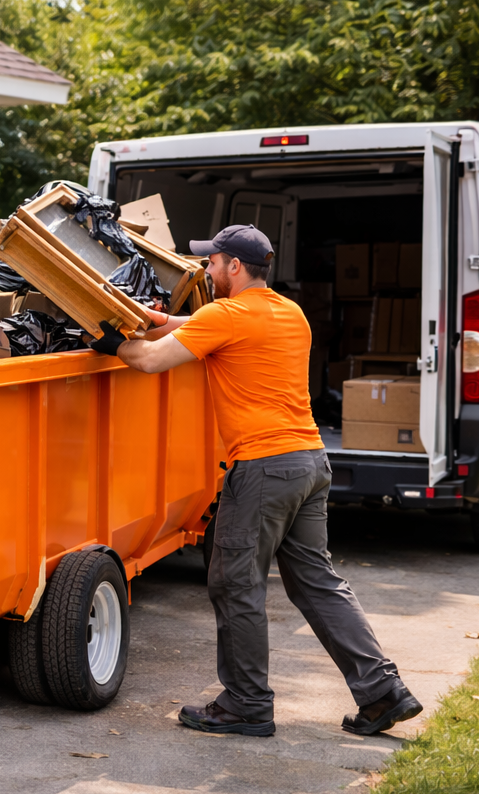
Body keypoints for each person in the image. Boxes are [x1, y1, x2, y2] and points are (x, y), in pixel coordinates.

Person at [91, 224, 422, 738]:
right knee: (319, 584)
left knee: (235, 582)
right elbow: (202, 327)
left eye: (213, 262)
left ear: (235, 268)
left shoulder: (227, 315)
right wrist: (157, 319)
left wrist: (113, 343)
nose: (206, 270)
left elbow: (153, 360)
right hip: (310, 464)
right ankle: (383, 692)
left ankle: (246, 702)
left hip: (264, 467)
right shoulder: (288, 312)